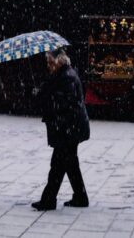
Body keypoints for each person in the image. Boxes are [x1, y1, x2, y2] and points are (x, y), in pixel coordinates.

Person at [32, 48, 90, 211]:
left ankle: (49, 200)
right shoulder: (62, 76)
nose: (48, 65)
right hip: (69, 127)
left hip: (68, 128)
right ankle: (80, 196)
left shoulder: (67, 77)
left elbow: (65, 104)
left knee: (57, 165)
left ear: (59, 62)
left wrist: (47, 96)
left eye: (50, 62)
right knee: (70, 164)